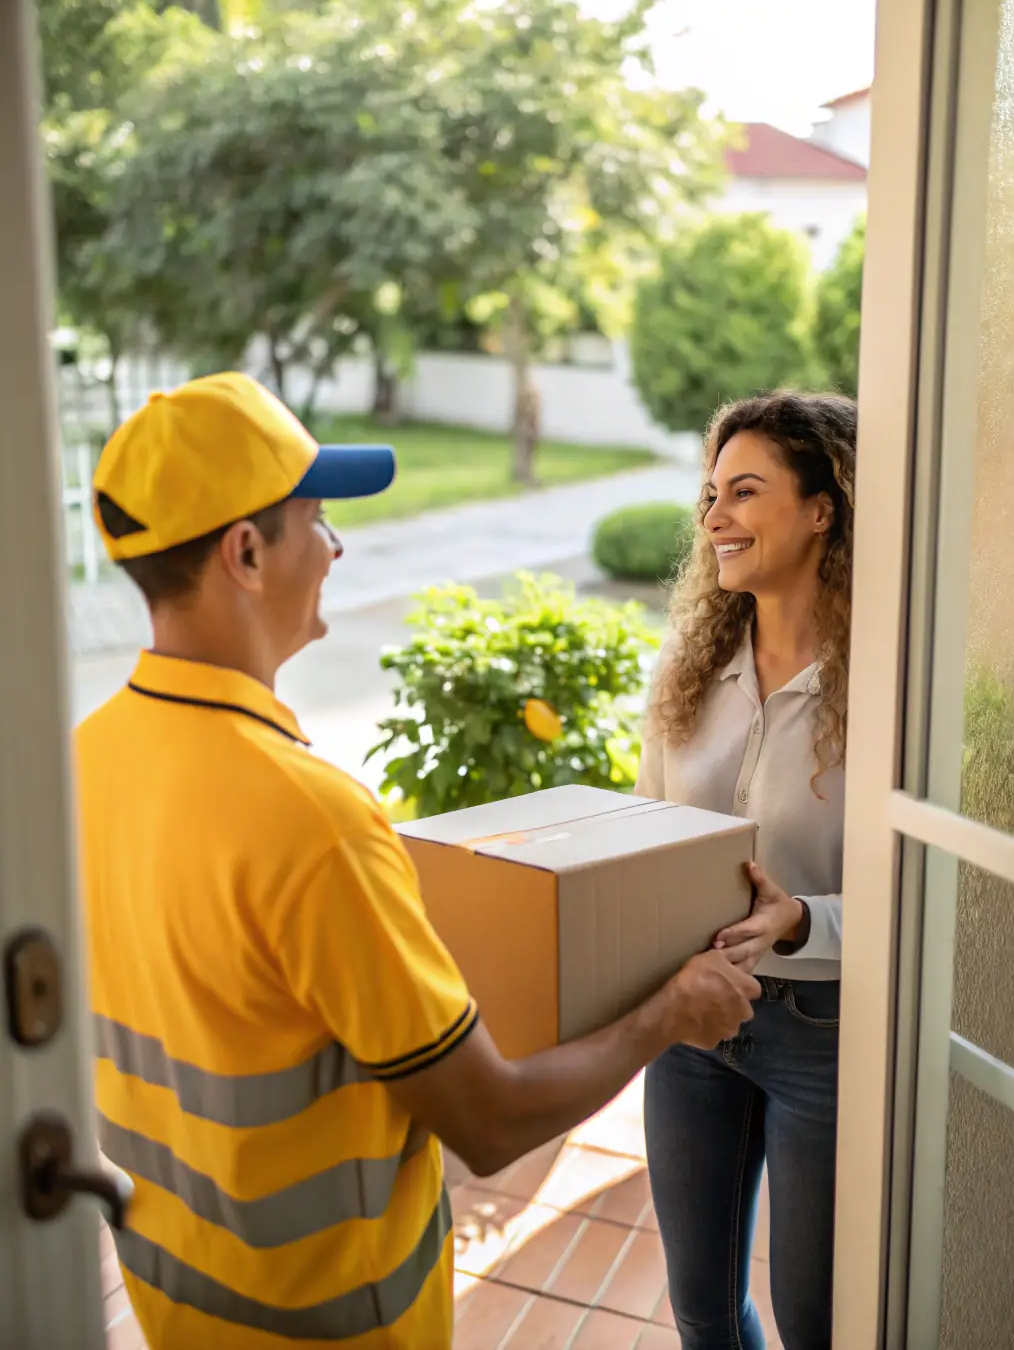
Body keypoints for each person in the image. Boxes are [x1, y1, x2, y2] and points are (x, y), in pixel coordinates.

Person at [75, 372, 760, 1350]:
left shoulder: (82, 759)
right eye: (317, 517)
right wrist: (673, 1009)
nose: (337, 546)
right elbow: (488, 1120)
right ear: (246, 551)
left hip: (173, 1298)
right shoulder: (313, 822)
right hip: (335, 1322)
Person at [636, 391, 856, 1350]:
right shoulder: (694, 661)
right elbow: (643, 822)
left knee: (815, 1324)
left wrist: (803, 919)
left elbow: (935, 898)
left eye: (745, 491)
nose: (713, 517)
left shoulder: (887, 685)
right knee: (703, 1312)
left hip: (826, 1037)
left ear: (823, 507)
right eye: (709, 494)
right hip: (691, 1025)